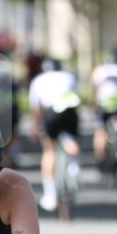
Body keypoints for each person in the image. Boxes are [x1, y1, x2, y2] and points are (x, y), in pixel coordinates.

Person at [28, 58, 82, 211]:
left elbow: (36, 109)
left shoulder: (38, 80)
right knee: (71, 142)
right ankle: (74, 166)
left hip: (51, 113)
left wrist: (35, 127)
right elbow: (76, 99)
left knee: (49, 150)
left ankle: (50, 194)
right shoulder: (69, 76)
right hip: (69, 112)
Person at [90, 49, 117, 175]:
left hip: (104, 105)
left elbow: (94, 88)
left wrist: (94, 103)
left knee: (100, 131)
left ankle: (100, 157)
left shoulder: (99, 70)